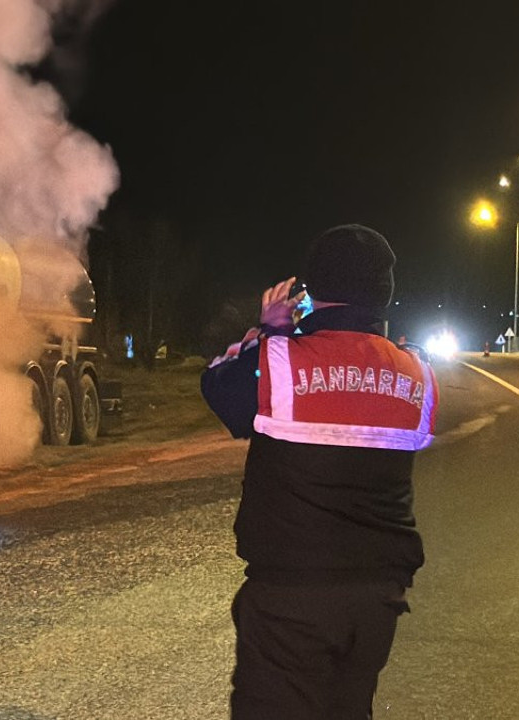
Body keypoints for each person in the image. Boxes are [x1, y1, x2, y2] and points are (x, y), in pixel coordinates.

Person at [200, 224, 438, 719]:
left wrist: (269, 327)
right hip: (377, 601)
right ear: (386, 294)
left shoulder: (278, 360)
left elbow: (218, 385)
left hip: (291, 598)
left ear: (312, 289)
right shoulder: (417, 374)